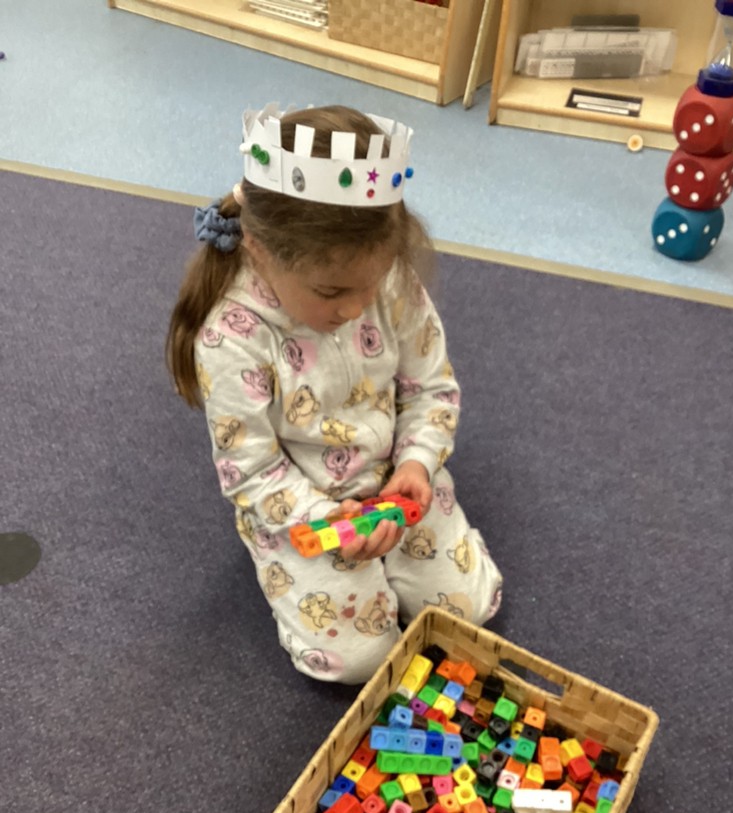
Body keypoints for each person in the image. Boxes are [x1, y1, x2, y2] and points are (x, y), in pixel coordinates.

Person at [166, 103, 502, 684]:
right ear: (259, 249)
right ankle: (285, 562)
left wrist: (418, 463)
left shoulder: (387, 277)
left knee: (470, 612)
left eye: (370, 286)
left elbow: (431, 389)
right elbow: (251, 471)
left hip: (396, 483)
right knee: (362, 663)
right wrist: (326, 518)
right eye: (331, 292)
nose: (355, 308)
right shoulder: (231, 336)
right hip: (308, 509)